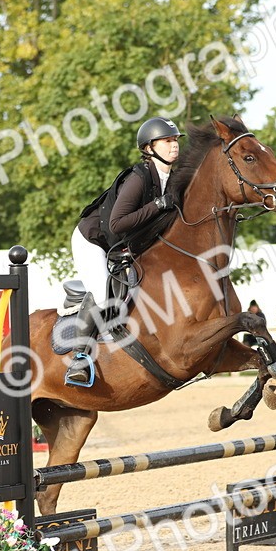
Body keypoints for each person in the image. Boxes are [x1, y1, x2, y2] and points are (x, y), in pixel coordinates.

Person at [66, 116, 184, 386]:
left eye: (175, 140)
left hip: (121, 247)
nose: (174, 145)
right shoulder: (139, 177)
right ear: (150, 148)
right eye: (167, 141)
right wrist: (158, 205)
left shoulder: (172, 179)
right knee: (101, 289)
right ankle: (78, 359)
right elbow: (117, 223)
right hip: (93, 241)